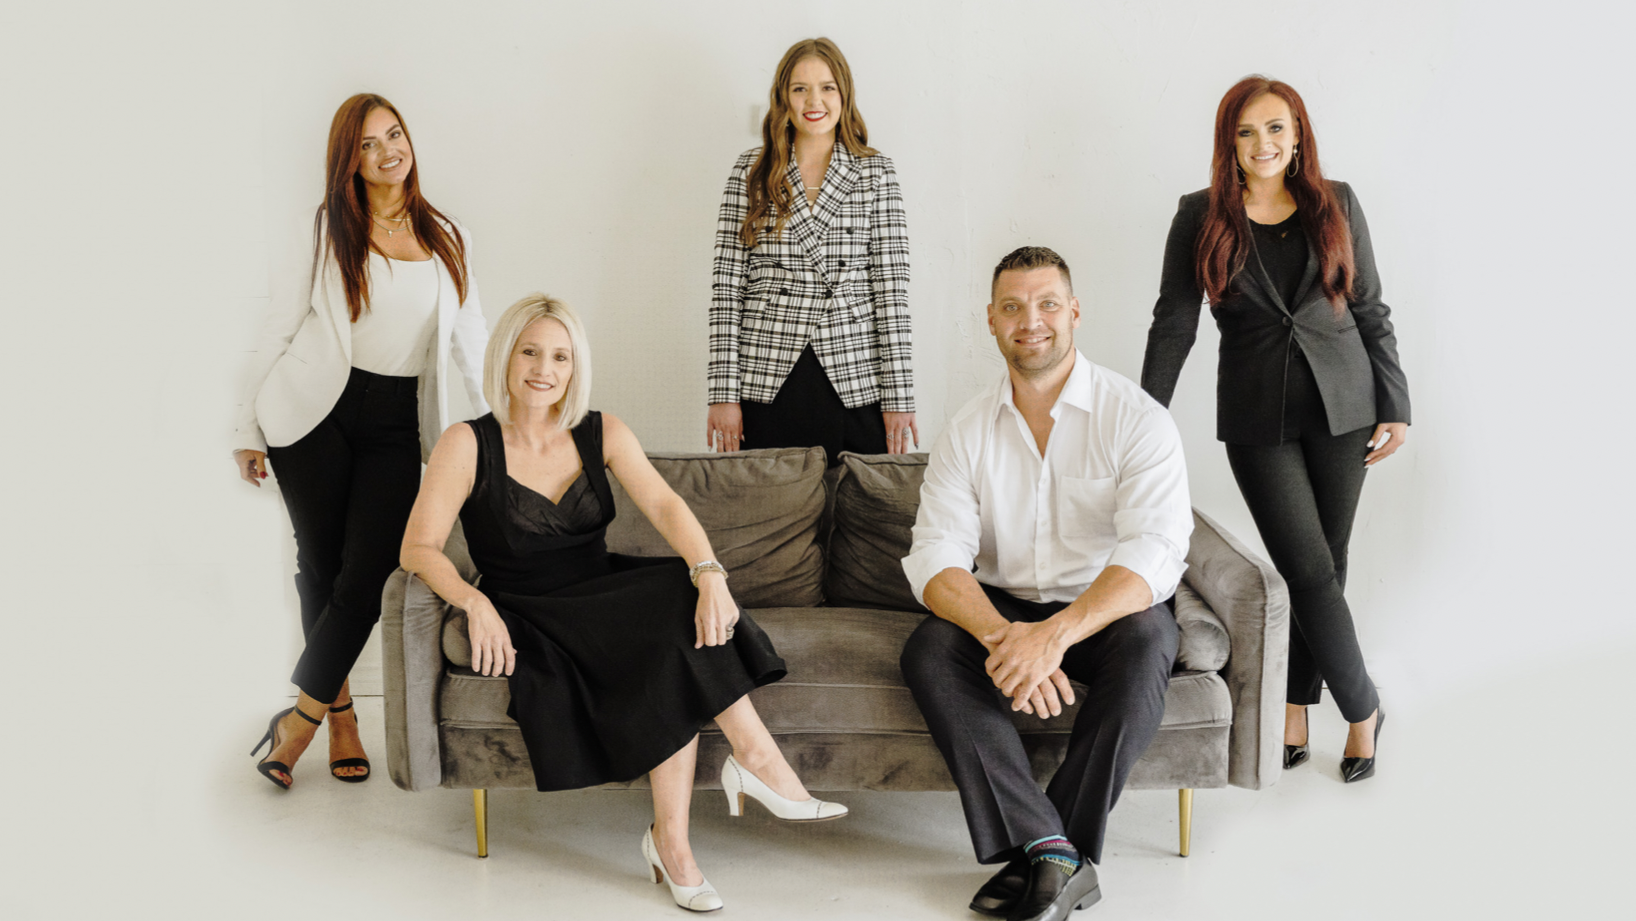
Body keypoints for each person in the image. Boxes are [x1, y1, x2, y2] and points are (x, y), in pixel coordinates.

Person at [400, 294, 846, 913]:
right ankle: (742, 779)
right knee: (667, 617)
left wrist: (711, 574)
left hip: (598, 592)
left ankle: (697, 819)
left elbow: (664, 504)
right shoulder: (467, 442)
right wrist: (473, 603)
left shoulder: (601, 431)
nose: (544, 369)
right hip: (531, 609)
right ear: (504, 355)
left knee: (678, 600)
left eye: (561, 356)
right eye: (530, 352)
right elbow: (418, 548)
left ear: (576, 366)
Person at [901, 247, 1193, 921]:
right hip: (1004, 609)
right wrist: (1006, 637)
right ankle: (1056, 851)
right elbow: (935, 553)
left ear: (1074, 312)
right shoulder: (967, 429)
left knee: (1150, 642)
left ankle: (1041, 852)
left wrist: (1055, 636)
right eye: (1012, 307)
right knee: (928, 650)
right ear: (991, 321)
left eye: (1047, 304)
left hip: (1103, 609)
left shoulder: (1137, 417)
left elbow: (1154, 547)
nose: (1030, 321)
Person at [1141, 75, 1409, 783]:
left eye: (1276, 128)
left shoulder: (1336, 203)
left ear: (1297, 136)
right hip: (1258, 417)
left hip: (1345, 407)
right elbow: (1174, 323)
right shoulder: (1199, 216)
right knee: (1308, 569)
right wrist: (1145, 416)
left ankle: (1294, 705)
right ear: (1229, 142)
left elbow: (1370, 307)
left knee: (1329, 563)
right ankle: (1364, 707)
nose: (1263, 143)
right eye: (1247, 131)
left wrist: (1396, 402)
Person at [236, 93, 490, 790]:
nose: (387, 152)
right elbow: (279, 325)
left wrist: (498, 427)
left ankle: (300, 721)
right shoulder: (323, 229)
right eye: (369, 144)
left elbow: (471, 339)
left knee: (369, 574)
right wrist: (244, 425)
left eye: (394, 135)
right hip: (311, 412)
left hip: (395, 419)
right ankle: (342, 716)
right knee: (321, 567)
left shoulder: (449, 235)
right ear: (349, 161)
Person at [706, 36, 917, 465]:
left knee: (854, 499)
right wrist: (723, 394)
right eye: (800, 88)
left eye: (827, 87)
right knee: (769, 498)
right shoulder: (751, 171)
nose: (814, 101)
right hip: (767, 371)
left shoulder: (875, 172)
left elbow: (892, 292)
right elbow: (726, 290)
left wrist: (899, 396)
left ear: (844, 95)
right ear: (783, 96)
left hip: (853, 374)